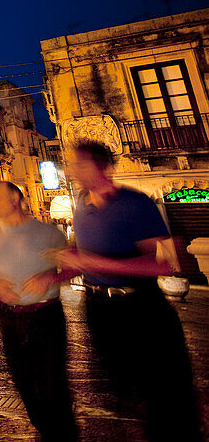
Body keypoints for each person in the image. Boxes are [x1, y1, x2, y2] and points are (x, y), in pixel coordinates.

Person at [54, 140, 201, 441]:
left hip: (140, 308)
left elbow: (161, 264)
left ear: (103, 166)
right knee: (120, 389)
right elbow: (84, 258)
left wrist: (95, 262)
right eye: (70, 164)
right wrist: (58, 273)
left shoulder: (136, 203)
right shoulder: (81, 204)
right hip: (98, 309)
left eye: (79, 163)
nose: (71, 170)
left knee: (165, 397)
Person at [0, 181, 77, 442]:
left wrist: (51, 279)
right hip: (8, 316)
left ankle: (62, 435)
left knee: (53, 381)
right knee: (23, 381)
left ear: (15, 199)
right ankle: (47, 429)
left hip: (46, 315)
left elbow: (74, 267)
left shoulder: (49, 233)